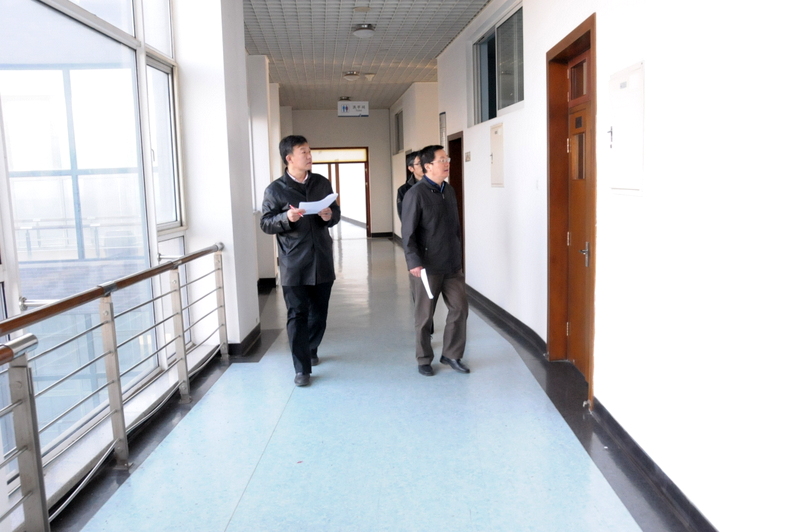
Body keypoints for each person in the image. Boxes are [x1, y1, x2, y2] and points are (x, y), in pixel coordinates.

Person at [260, 135, 341, 387]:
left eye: (309, 151)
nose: (309, 156)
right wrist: (286, 218)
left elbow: (336, 213)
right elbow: (266, 223)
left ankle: (311, 347)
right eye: (303, 152)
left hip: (322, 259)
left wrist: (328, 216)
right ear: (289, 158)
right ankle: (301, 368)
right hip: (294, 262)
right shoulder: (275, 190)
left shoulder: (321, 182)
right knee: (297, 315)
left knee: (319, 313)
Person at [401, 144, 469, 376]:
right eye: (442, 160)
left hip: (451, 265)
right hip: (426, 267)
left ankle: (452, 354)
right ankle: (423, 359)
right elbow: (408, 233)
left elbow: (455, 228)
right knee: (424, 317)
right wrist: (413, 262)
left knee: (460, 309)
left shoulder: (448, 191)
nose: (447, 163)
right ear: (428, 166)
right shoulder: (415, 194)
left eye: (447, 159)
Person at [396, 150, 423, 217]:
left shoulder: (439, 185)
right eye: (420, 163)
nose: (424, 165)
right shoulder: (403, 190)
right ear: (411, 168)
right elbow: (404, 216)